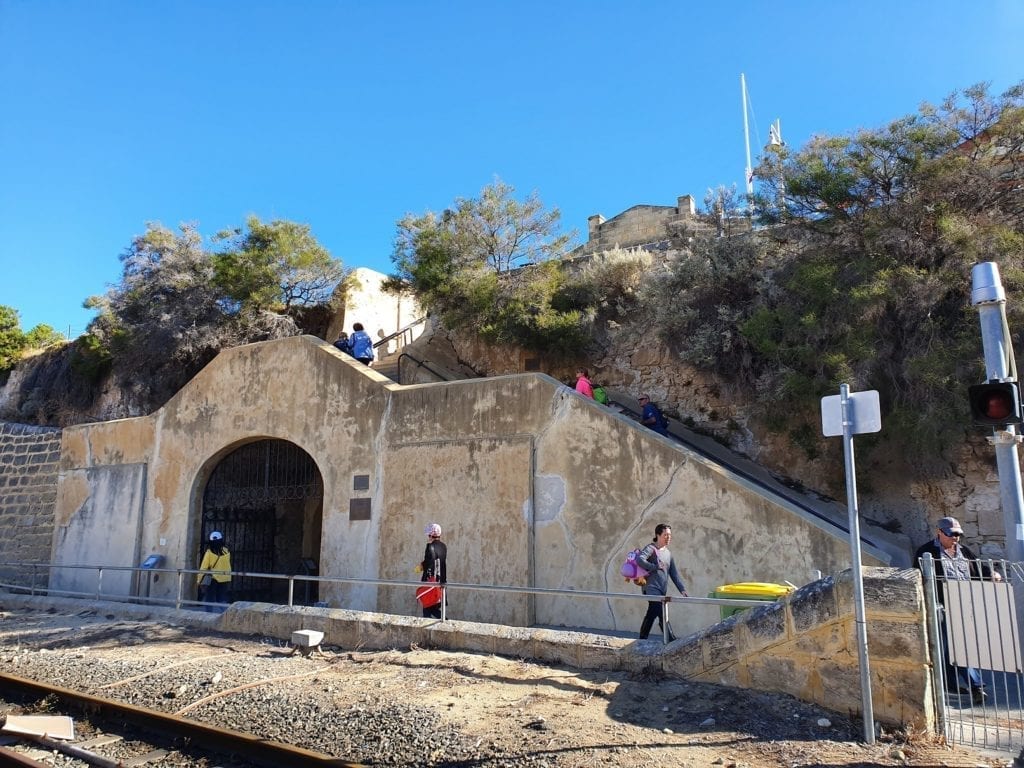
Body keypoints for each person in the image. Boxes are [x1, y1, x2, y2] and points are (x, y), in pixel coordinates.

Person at [914, 516, 1001, 704]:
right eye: (951, 534)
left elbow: (978, 568)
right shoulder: (926, 552)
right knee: (956, 648)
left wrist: (991, 574)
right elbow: (917, 578)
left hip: (964, 605)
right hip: (942, 608)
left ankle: (950, 684)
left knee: (953, 649)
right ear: (939, 532)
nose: (956, 538)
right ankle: (976, 686)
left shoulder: (964, 551)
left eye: (958, 534)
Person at [636, 523, 688, 641]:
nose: (668, 537)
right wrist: (654, 566)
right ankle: (671, 639)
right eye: (665, 535)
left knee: (653, 613)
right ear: (658, 535)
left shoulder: (668, 554)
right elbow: (640, 560)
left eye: (669, 535)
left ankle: (642, 639)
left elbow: (674, 574)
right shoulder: (651, 548)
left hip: (661, 591)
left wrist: (682, 589)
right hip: (650, 589)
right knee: (660, 611)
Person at [197, 531, 232, 612]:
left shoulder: (209, 553)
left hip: (213, 578)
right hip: (225, 577)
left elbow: (204, 567)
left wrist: (199, 580)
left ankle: (209, 614)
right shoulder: (227, 551)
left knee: (209, 597)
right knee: (221, 597)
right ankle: (226, 613)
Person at [419, 523, 448, 619]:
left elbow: (429, 562)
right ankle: (447, 623)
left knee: (427, 607)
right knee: (432, 608)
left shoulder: (429, 546)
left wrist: (421, 566)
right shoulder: (443, 546)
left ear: (431, 535)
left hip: (431, 582)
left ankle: (447, 623)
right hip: (441, 581)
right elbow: (438, 561)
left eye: (428, 535)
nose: (428, 537)